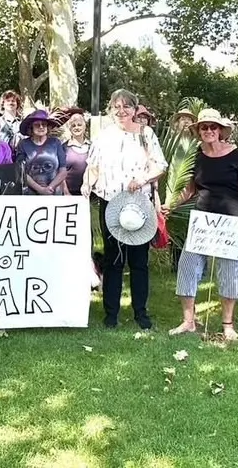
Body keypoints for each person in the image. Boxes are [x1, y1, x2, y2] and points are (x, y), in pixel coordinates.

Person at [82, 89, 167, 329]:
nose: (121, 111)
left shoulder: (146, 134)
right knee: (113, 259)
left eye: (126, 106)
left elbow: (159, 165)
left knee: (139, 261)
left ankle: (141, 313)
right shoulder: (103, 136)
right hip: (110, 202)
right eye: (116, 107)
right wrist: (86, 185)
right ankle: (111, 314)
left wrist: (141, 180)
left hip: (138, 204)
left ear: (134, 108)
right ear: (111, 109)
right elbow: (93, 166)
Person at [164, 109, 238, 338]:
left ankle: (228, 325)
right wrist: (170, 205)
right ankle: (188, 321)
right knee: (187, 266)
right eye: (204, 127)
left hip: (232, 219)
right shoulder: (196, 155)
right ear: (199, 131)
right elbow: (190, 189)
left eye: (213, 127)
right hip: (202, 219)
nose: (209, 131)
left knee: (229, 270)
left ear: (221, 130)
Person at [14, 109, 68, 196]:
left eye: (44, 125)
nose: (41, 127)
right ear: (31, 127)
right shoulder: (23, 144)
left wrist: (50, 188)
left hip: (54, 194)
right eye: (37, 125)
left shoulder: (55, 143)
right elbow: (21, 171)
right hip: (30, 194)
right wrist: (40, 190)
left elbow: (63, 170)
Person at [62, 112, 91, 196]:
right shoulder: (63, 148)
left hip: (89, 194)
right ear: (69, 128)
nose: (77, 127)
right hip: (69, 193)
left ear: (84, 126)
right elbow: (59, 172)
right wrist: (66, 192)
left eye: (79, 124)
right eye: (73, 125)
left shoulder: (92, 147)